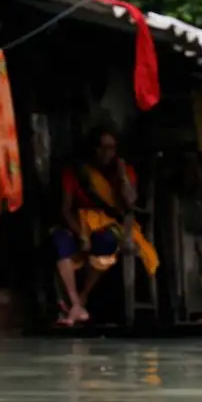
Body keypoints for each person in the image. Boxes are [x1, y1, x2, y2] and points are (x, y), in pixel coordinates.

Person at [53, 126, 157, 327]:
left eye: (112, 148)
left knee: (107, 242)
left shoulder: (123, 171)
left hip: (108, 225)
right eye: (103, 147)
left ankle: (82, 299)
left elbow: (130, 203)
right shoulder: (77, 172)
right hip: (79, 224)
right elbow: (65, 210)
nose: (107, 153)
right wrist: (80, 234)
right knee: (60, 241)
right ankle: (74, 302)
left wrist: (123, 177)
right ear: (93, 149)